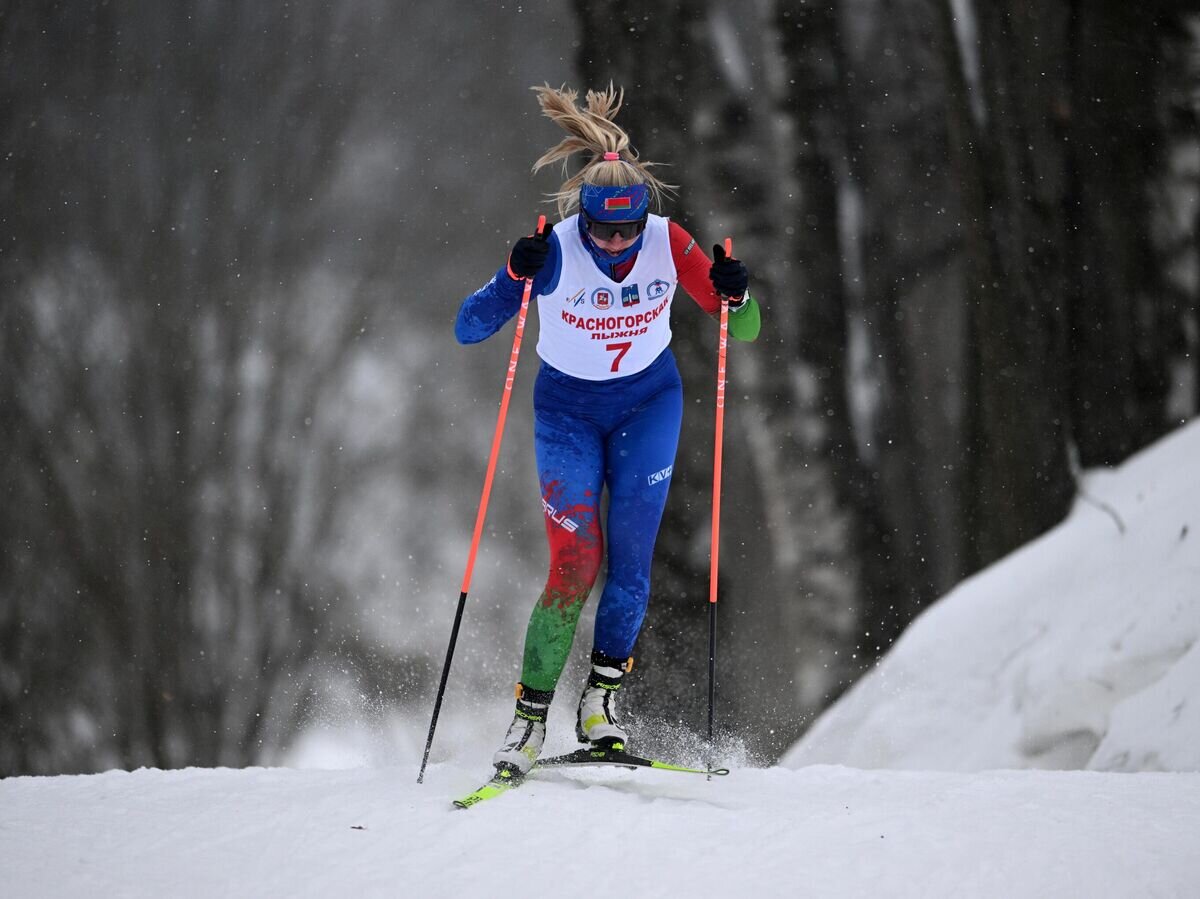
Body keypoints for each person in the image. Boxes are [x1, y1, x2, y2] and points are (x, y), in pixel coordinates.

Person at [454, 84, 762, 776]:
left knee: (630, 568)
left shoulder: (665, 242)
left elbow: (741, 323)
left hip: (648, 406)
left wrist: (739, 290)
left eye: (630, 230)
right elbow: (468, 327)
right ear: (583, 218)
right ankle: (528, 719)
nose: (619, 245)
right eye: (605, 232)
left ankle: (600, 704)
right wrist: (512, 277)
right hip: (567, 413)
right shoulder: (557, 249)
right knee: (574, 565)